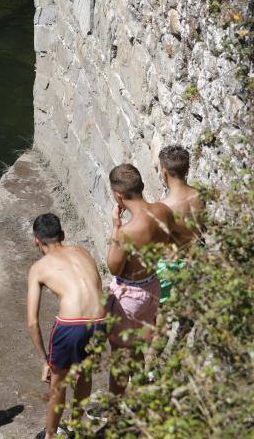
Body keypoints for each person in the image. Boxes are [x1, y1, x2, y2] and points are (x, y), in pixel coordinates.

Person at [26, 213, 106, 439]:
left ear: (36, 240)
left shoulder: (39, 268)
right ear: (63, 235)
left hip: (71, 325)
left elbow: (32, 322)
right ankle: (74, 427)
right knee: (85, 375)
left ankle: (51, 435)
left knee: (57, 386)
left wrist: (45, 361)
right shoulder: (83, 252)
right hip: (99, 321)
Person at [105, 164, 176, 395]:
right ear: (142, 186)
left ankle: (114, 413)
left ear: (118, 195)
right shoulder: (163, 211)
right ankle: (140, 396)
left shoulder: (127, 231)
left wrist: (116, 226)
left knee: (119, 357)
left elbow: (114, 267)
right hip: (153, 286)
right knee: (138, 346)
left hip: (130, 296)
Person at [156, 145, 204, 303]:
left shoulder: (162, 207)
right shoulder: (201, 196)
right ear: (188, 169)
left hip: (170, 268)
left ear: (164, 172)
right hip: (194, 261)